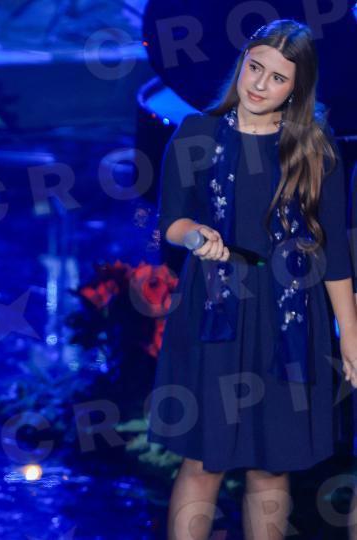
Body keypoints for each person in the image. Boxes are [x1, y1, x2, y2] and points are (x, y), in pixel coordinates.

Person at [148, 19, 357, 539]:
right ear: (241, 63)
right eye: (254, 67)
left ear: (298, 88)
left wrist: (350, 334)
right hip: (215, 310)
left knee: (272, 465)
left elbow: (333, 251)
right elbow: (171, 220)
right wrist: (195, 234)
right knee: (205, 461)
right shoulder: (197, 134)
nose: (259, 84)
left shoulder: (314, 146)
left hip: (291, 319)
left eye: (278, 77)